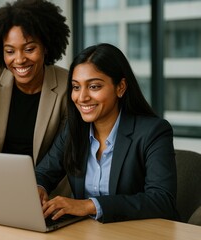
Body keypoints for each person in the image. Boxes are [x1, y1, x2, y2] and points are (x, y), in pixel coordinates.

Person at [35, 43, 179, 223]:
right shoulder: (73, 130)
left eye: (94, 87)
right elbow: (43, 173)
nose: (82, 97)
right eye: (76, 87)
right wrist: (38, 187)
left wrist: (89, 205)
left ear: (120, 87)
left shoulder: (153, 131)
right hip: (86, 233)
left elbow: (162, 201)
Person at [0, 0, 69, 169]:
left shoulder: (66, 85)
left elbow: (62, 155)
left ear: (45, 47)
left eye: (29, 49)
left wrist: (38, 187)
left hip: (48, 188)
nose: (20, 60)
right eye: (10, 51)